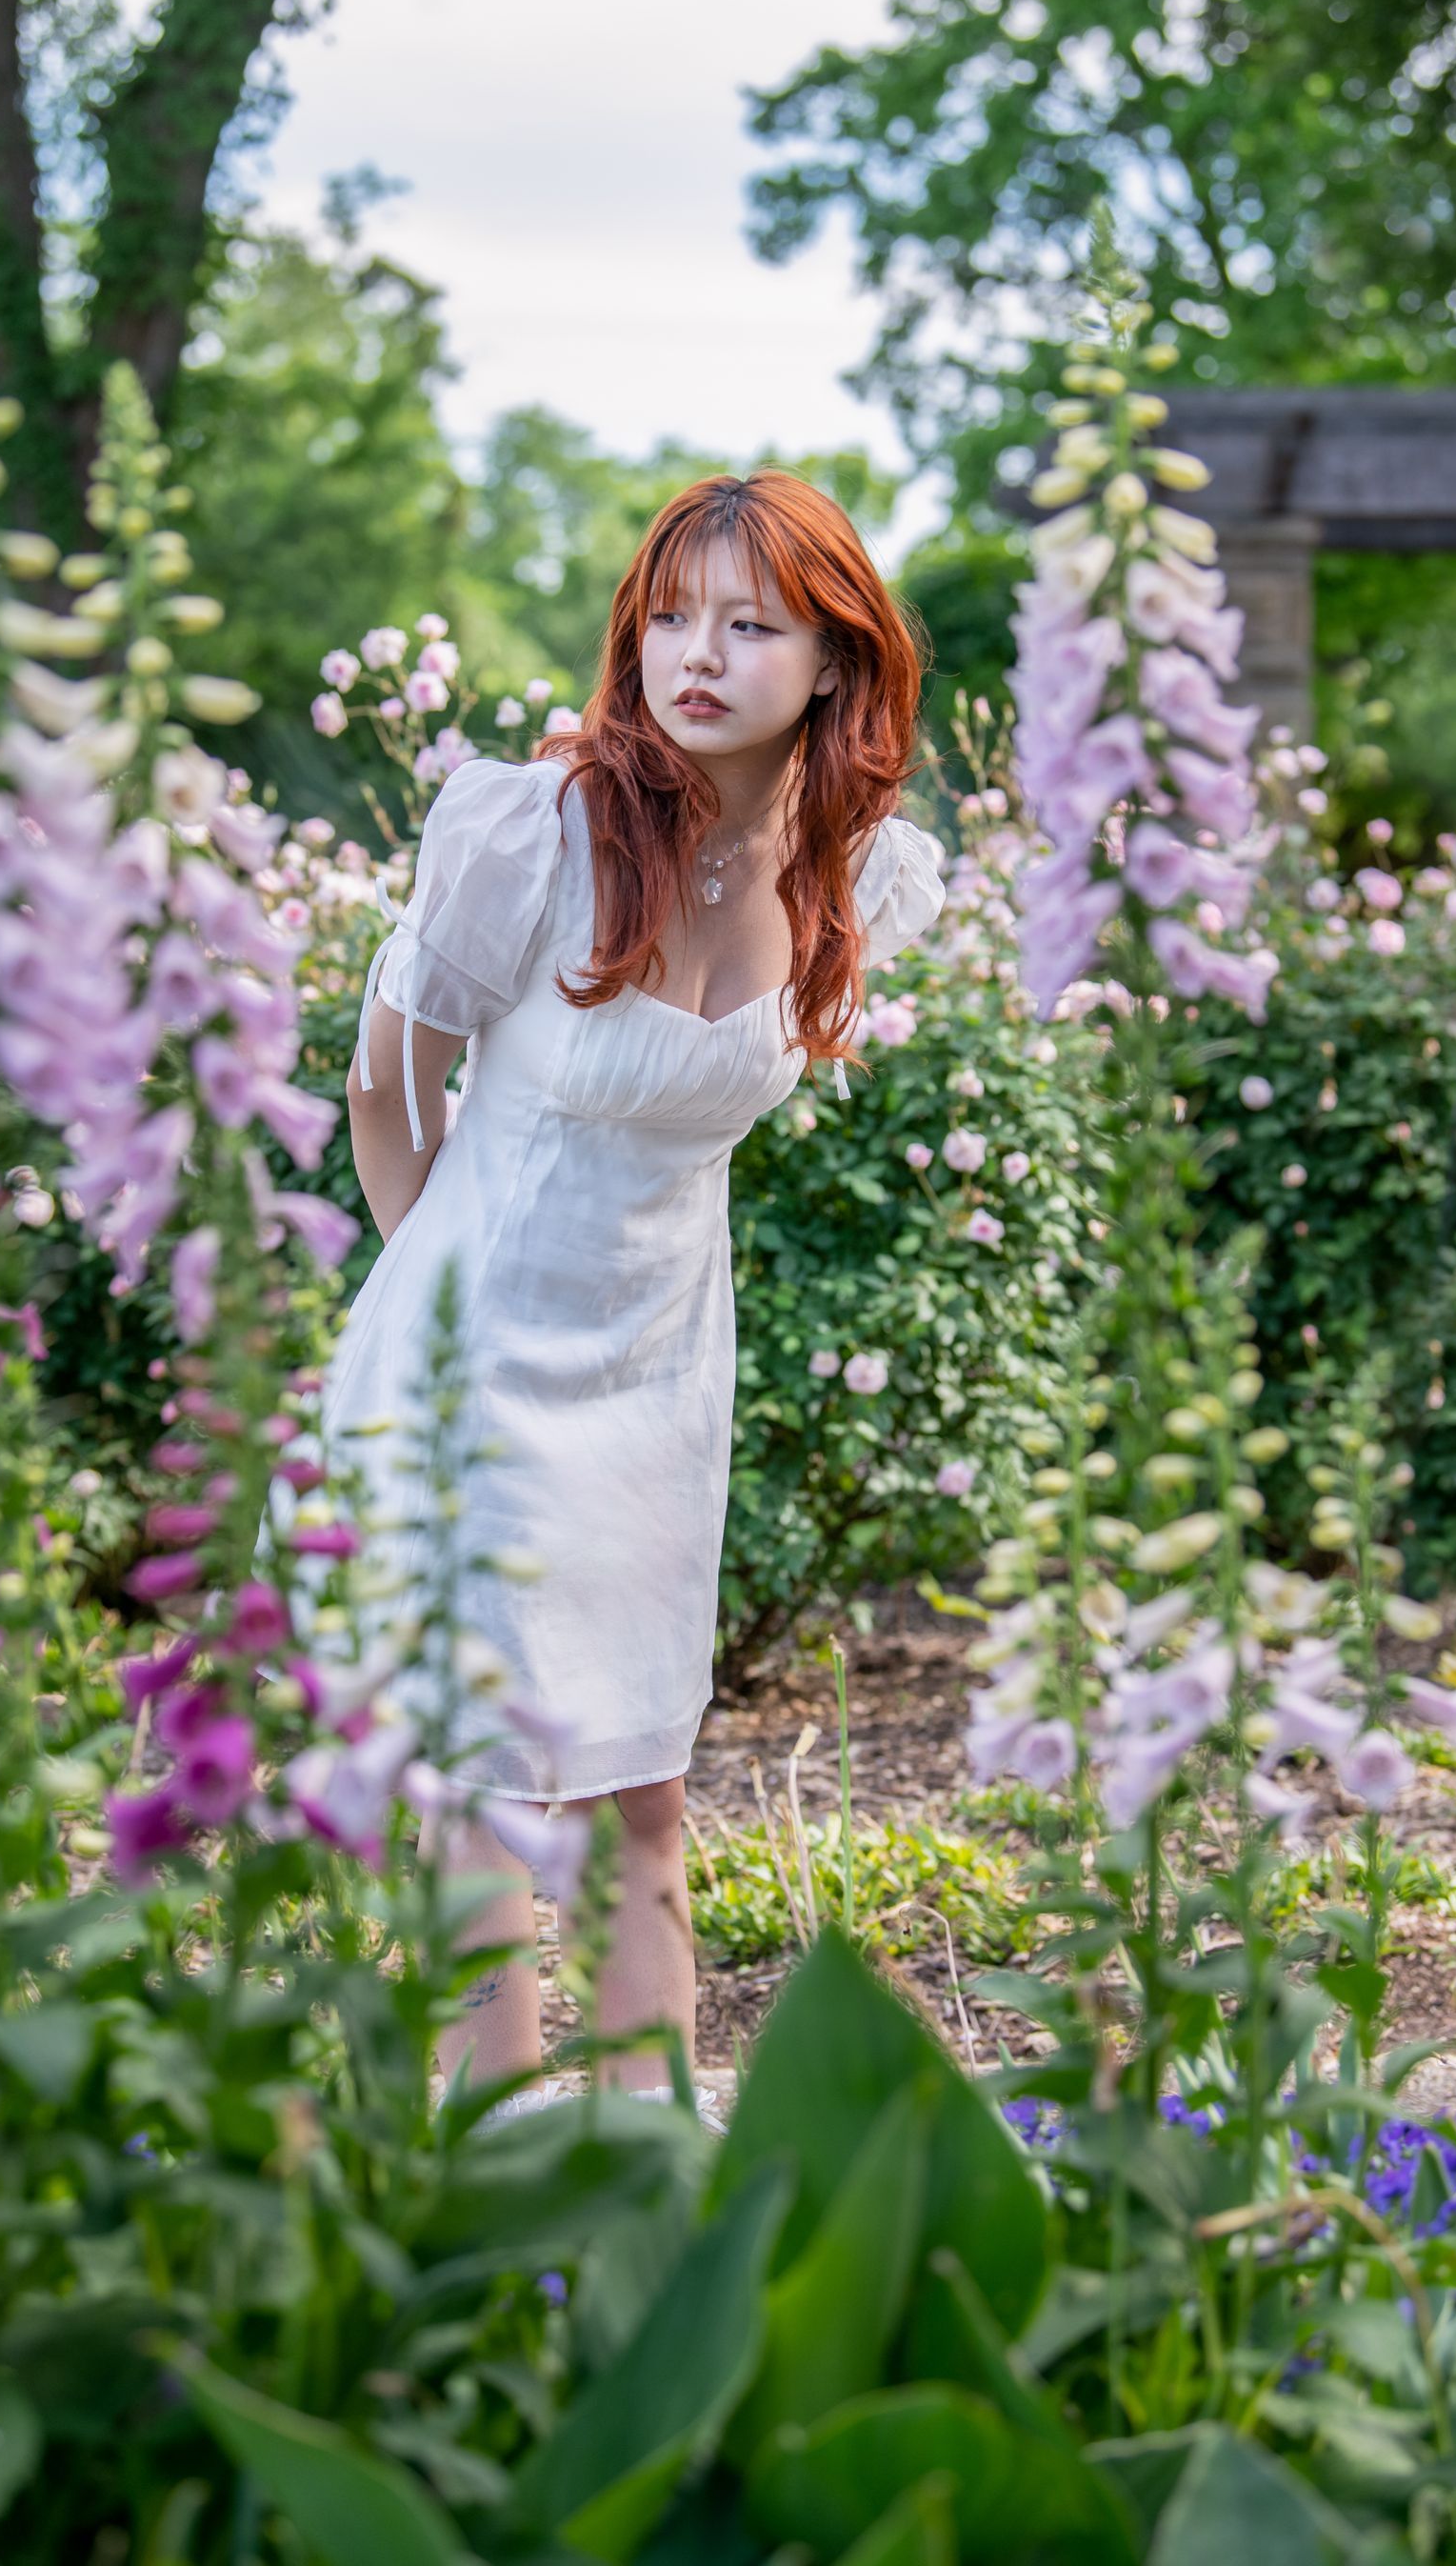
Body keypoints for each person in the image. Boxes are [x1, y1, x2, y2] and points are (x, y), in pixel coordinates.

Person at [330, 467, 946, 2112]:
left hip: (659, 1381)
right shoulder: (529, 832)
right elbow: (388, 1085)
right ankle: (505, 2185)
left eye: (752, 623)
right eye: (672, 614)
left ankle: (654, 2178)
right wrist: (433, 1302)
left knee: (643, 1798)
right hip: (467, 1365)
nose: (699, 651)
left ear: (835, 662)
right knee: (482, 1793)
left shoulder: (855, 873)